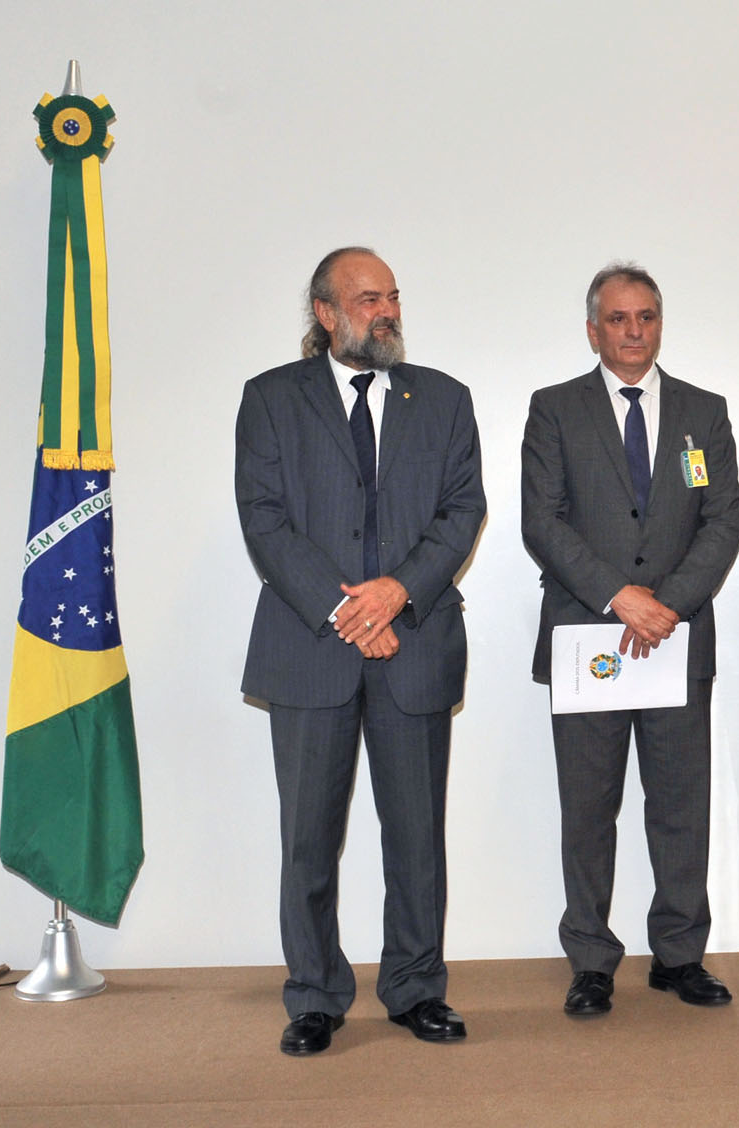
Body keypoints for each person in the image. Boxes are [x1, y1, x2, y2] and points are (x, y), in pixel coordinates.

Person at [235, 246, 486, 1056]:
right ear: (325, 312)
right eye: (367, 298)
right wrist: (349, 609)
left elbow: (461, 510)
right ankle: (313, 994)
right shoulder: (271, 399)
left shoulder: (444, 400)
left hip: (413, 642)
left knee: (415, 836)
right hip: (311, 648)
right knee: (309, 837)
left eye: (392, 297)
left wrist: (395, 592)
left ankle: (415, 987)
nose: (386, 312)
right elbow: (264, 518)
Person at [521, 263, 739, 1018]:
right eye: (617, 319)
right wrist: (620, 599)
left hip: (675, 639)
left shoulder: (702, 412)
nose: (633, 330)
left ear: (659, 325)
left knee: (680, 804)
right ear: (593, 330)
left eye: (645, 316)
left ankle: (679, 955)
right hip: (590, 639)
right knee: (588, 808)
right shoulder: (553, 410)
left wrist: (667, 606)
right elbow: (540, 521)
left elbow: (722, 521)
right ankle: (590, 959)